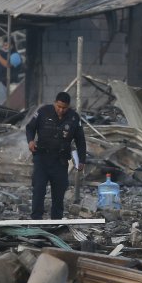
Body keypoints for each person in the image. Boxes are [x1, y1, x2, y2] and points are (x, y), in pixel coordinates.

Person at [25, 91, 86, 220]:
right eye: (59, 106)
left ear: (68, 106)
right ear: (55, 103)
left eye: (64, 108)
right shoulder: (43, 112)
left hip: (60, 161)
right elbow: (30, 128)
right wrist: (30, 141)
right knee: (39, 189)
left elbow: (80, 140)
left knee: (59, 192)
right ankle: (36, 219)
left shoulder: (74, 118)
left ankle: (56, 222)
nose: (61, 110)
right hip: (42, 159)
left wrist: (82, 160)